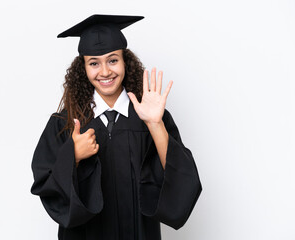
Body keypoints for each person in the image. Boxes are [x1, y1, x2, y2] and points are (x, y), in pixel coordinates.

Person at [31, 14, 202, 240]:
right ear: (83, 68)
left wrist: (155, 124)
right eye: (94, 63)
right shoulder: (65, 123)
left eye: (113, 60)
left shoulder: (150, 116)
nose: (105, 72)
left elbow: (183, 180)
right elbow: (46, 185)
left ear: (125, 62)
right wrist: (72, 156)